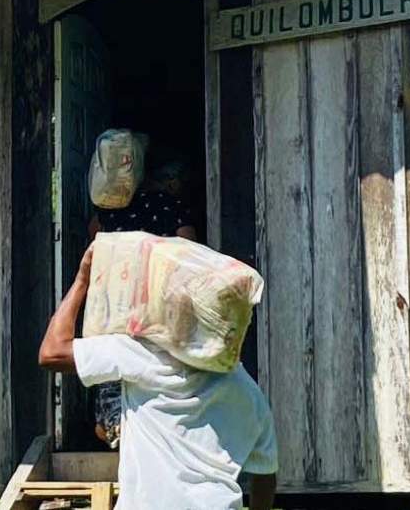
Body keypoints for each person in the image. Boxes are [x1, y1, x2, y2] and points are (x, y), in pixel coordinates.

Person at [39, 247, 278, 510]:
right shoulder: (247, 391)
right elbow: (266, 474)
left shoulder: (141, 356)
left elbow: (51, 353)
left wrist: (83, 278)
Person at [87, 159, 198, 447]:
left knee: (114, 366)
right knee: (156, 367)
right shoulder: (172, 206)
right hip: (157, 307)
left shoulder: (111, 207)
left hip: (115, 303)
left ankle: (114, 427)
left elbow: (93, 236)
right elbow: (190, 250)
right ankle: (156, 432)